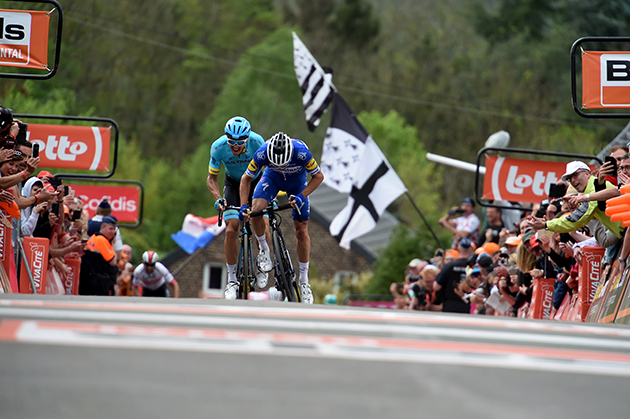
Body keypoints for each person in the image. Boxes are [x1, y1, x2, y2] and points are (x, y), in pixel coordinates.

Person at [240, 132, 324, 304]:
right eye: (275, 164)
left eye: (283, 165)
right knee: (256, 211)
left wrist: (301, 196)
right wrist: (243, 206)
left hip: (297, 184)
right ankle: (264, 250)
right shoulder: (263, 152)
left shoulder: (301, 152)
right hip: (273, 180)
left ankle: (304, 281)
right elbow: (246, 178)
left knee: (301, 231)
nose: (281, 167)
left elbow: (318, 177)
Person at [206, 116, 269, 299]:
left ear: (247, 139)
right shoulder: (218, 147)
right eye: (231, 141)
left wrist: (269, 194)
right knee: (231, 230)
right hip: (233, 184)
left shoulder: (258, 142)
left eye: (240, 142)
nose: (235, 146)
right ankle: (232, 280)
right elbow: (211, 178)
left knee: (263, 226)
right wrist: (218, 198)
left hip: (256, 182)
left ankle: (263, 260)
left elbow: (269, 170)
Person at [79, 215, 119, 296]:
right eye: (110, 229)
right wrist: (113, 244)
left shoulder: (93, 237)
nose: (113, 232)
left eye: (114, 230)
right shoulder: (102, 240)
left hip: (88, 280)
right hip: (99, 283)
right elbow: (113, 261)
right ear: (102, 227)